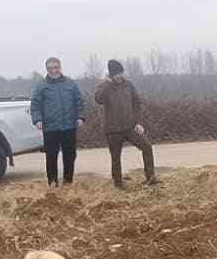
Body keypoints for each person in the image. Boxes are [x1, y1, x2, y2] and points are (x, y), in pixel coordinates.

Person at [93, 59, 158, 188]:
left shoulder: (129, 85)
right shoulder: (104, 86)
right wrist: (107, 84)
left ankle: (150, 178)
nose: (119, 76)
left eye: (121, 73)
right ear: (111, 75)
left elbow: (137, 103)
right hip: (112, 130)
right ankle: (118, 184)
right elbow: (99, 99)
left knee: (147, 147)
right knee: (116, 157)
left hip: (130, 127)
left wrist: (138, 122)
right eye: (116, 74)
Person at [29, 56, 84, 186]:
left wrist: (80, 117)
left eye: (56, 67)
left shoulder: (71, 84)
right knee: (51, 156)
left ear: (60, 67)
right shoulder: (41, 86)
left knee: (70, 155)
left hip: (69, 126)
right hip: (50, 127)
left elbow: (79, 102)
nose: (54, 70)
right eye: (51, 68)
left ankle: (68, 180)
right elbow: (35, 105)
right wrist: (37, 120)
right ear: (47, 69)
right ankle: (52, 181)